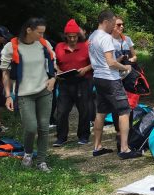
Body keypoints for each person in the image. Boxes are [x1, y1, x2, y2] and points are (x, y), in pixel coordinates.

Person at [0, 18, 57, 172]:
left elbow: (53, 64)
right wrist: (8, 96)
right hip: (24, 94)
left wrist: (53, 79)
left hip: (44, 91)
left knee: (44, 127)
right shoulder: (11, 46)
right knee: (31, 127)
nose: (42, 36)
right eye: (39, 32)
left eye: (43, 33)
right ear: (29, 30)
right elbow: (5, 73)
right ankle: (28, 153)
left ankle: (41, 161)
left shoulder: (44, 44)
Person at [89, 9, 141, 159]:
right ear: (106, 21)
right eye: (113, 23)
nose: (114, 26)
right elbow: (111, 63)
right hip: (110, 79)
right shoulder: (106, 38)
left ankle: (97, 147)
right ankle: (125, 149)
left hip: (98, 77)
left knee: (101, 112)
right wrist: (125, 67)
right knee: (124, 111)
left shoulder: (92, 36)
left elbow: (101, 60)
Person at [53, 19, 92, 146]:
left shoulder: (86, 46)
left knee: (84, 110)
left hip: (83, 82)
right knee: (62, 111)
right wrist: (57, 70)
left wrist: (85, 69)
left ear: (78, 35)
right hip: (65, 82)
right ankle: (61, 137)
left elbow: (96, 62)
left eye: (74, 36)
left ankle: (84, 136)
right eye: (69, 37)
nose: (72, 39)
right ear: (65, 36)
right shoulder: (59, 46)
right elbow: (54, 62)